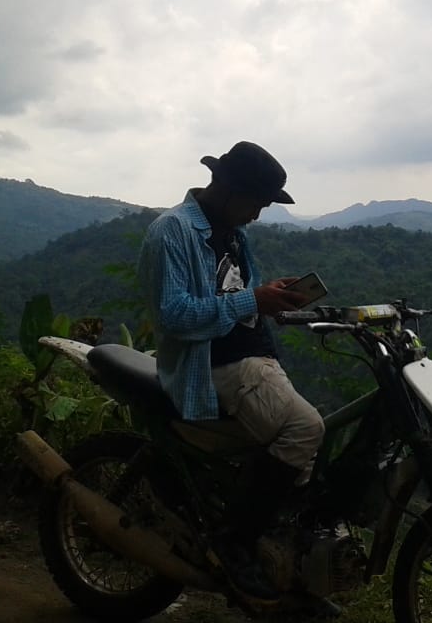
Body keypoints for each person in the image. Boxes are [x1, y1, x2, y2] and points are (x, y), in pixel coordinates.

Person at [137, 141, 324, 602]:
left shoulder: (235, 234)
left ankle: (284, 559)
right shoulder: (172, 232)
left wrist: (268, 298)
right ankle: (234, 542)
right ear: (227, 189)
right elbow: (173, 316)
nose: (257, 215)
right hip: (209, 365)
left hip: (252, 359)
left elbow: (240, 298)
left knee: (310, 462)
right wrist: (253, 300)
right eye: (255, 203)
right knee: (306, 429)